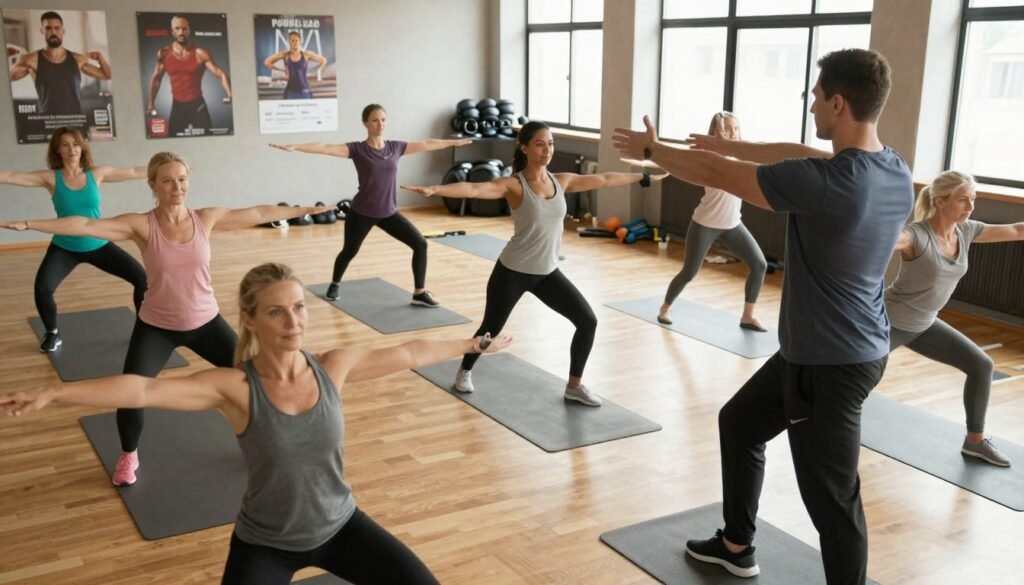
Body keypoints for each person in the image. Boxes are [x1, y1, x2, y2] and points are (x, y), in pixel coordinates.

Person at [0, 261, 512, 584]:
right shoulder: (236, 388)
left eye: (298, 308)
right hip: (265, 545)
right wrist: (53, 392)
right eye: (276, 313)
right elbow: (142, 388)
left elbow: (410, 350)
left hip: (342, 526)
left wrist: (472, 343)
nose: (293, 323)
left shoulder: (334, 367)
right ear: (250, 320)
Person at [613, 48, 913, 584]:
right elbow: (795, 150)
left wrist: (655, 150)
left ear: (839, 103)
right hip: (835, 348)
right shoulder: (891, 168)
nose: (812, 104)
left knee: (834, 505)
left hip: (827, 364)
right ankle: (735, 543)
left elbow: (715, 173)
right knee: (741, 424)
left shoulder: (826, 183)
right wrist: (732, 144)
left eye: (817, 97)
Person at [1, 152, 330, 486]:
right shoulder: (142, 225)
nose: (177, 187)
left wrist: (304, 209)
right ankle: (129, 455)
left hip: (206, 323)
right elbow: (85, 225)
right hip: (157, 327)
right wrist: (30, 224)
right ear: (153, 186)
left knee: (256, 382)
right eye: (168, 181)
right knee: (129, 396)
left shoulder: (206, 218)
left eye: (183, 179)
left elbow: (258, 212)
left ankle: (263, 445)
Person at [403, 121, 666, 406]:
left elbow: (604, 179)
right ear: (525, 148)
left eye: (550, 143)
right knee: (490, 328)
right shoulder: (514, 185)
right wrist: (434, 189)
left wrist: (644, 178)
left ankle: (574, 386)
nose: (547, 149)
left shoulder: (561, 181)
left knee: (587, 321)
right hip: (512, 272)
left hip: (547, 273)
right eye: (540, 144)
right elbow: (475, 189)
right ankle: (464, 370)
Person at [270, 103, 472, 307]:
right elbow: (325, 148)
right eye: (375, 120)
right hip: (362, 212)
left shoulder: (395, 147)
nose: (380, 124)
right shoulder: (358, 149)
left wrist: (451, 143)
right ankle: (334, 283)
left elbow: (427, 143)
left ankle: (419, 293)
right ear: (365, 123)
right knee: (349, 251)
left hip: (388, 213)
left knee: (420, 244)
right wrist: (296, 147)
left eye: (383, 119)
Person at [887, 170, 1024, 467]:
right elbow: (881, 243)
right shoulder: (916, 236)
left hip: (925, 324)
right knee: (851, 380)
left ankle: (975, 442)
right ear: (939, 201)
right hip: (890, 323)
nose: (971, 206)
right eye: (964, 200)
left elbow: (1015, 230)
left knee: (981, 365)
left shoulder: (967, 231)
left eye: (973, 199)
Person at [0, 127, 147, 353]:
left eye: (76, 144)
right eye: (66, 145)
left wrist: (174, 167)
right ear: (57, 150)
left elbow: (135, 171)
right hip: (64, 247)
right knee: (42, 289)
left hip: (98, 243)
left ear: (82, 147)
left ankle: (144, 330)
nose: (72, 149)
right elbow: (10, 176)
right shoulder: (50, 178)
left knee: (141, 278)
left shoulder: (96, 174)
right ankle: (52, 333)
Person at [657, 112, 768, 331]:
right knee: (689, 272)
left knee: (759, 265)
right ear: (716, 133)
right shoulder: (709, 157)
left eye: (735, 129)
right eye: (726, 129)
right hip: (705, 224)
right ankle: (665, 307)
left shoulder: (742, 156)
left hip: (733, 224)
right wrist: (718, 141)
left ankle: (747, 316)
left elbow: (762, 152)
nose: (732, 134)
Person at [8, 11, 112, 116]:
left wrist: (100, 57)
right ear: (42, 31)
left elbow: (107, 75)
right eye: (48, 28)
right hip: (48, 121)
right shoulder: (31, 60)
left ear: (62, 31)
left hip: (75, 120)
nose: (53, 32)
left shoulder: (77, 59)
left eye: (57, 28)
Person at [147, 15, 233, 137]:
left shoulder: (200, 53)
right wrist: (151, 103)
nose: (181, 32)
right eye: (177, 29)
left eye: (184, 28)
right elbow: (156, 78)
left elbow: (220, 74)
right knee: (172, 141)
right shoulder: (165, 53)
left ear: (189, 30)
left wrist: (230, 94)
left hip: (197, 105)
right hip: (177, 106)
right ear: (172, 32)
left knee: (209, 140)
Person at [263, 31, 327, 100]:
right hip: (290, 92)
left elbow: (323, 60)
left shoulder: (306, 55)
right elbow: (267, 62)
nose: (295, 43)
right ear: (289, 42)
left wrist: (318, 71)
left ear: (300, 41)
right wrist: (282, 70)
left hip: (305, 91)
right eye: (292, 40)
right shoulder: (285, 55)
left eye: (297, 40)